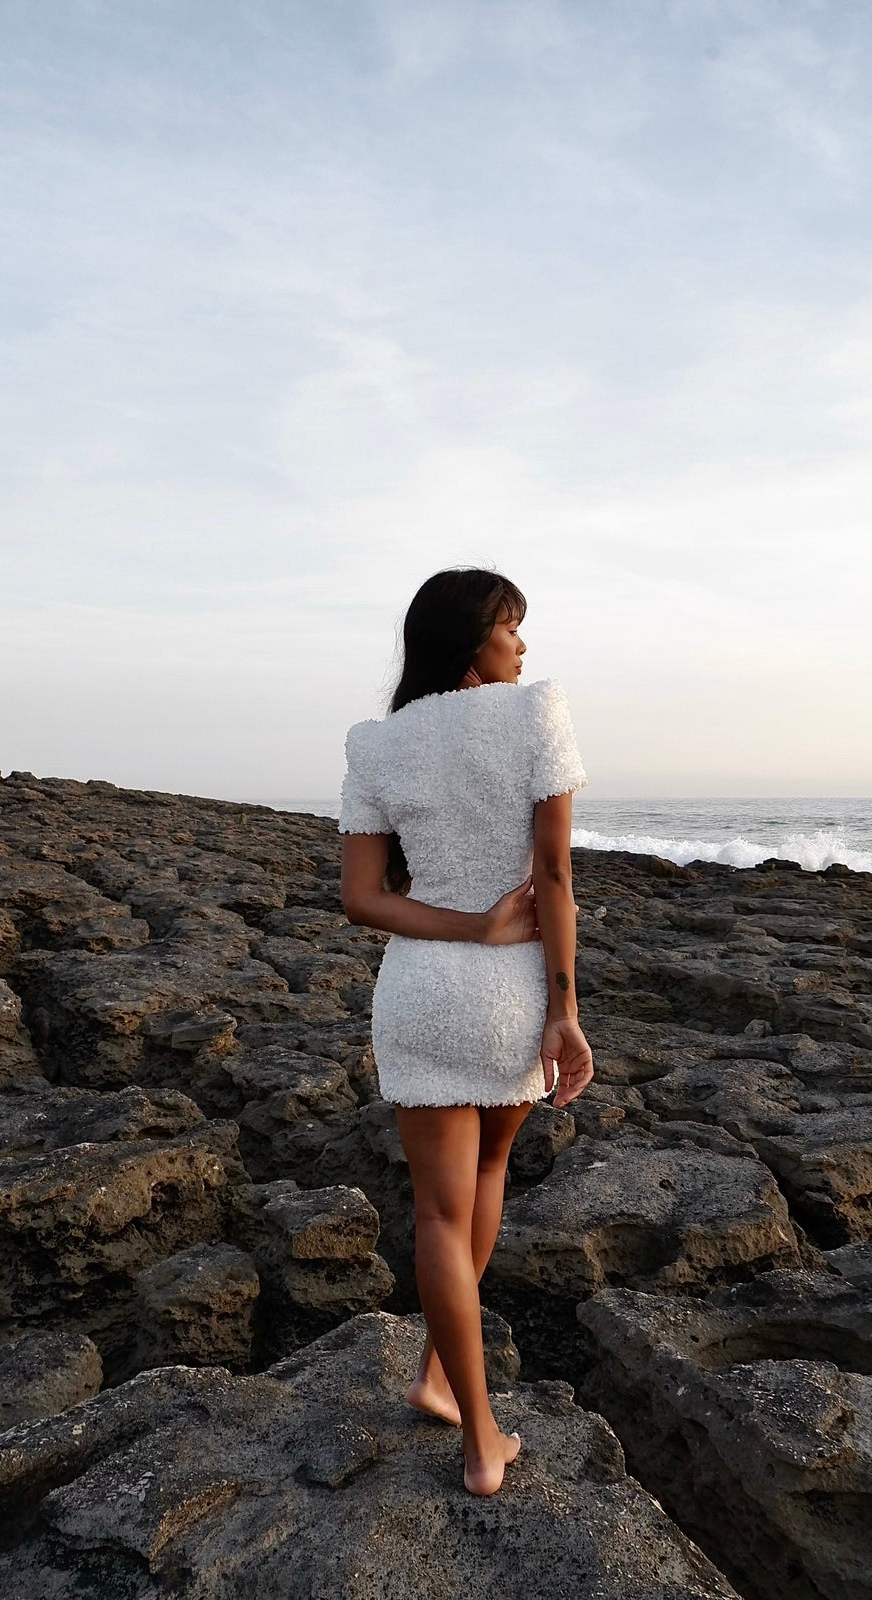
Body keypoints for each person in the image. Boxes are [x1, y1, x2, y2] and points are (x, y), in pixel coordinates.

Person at [338, 566, 593, 1496]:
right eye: (512, 627)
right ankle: (477, 1430)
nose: (523, 646)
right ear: (472, 634)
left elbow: (363, 900)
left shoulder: (376, 744)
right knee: (486, 1179)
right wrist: (564, 1010)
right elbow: (556, 879)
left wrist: (464, 924)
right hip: (511, 994)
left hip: (421, 991)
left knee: (439, 1213)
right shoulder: (536, 718)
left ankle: (452, 1395)